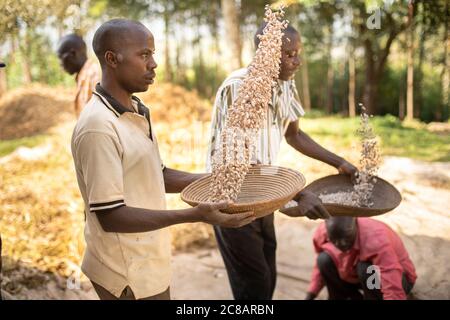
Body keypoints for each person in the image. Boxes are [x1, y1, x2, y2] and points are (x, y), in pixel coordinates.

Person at [71, 19, 257, 300]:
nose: (154, 63)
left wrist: (216, 179)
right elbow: (110, 215)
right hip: (125, 269)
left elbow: (157, 173)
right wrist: (194, 215)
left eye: (153, 54)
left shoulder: (134, 110)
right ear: (112, 59)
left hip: (147, 256)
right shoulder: (98, 126)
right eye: (144, 54)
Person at [206, 23, 358, 300]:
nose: (297, 61)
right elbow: (239, 162)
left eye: (298, 53)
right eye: (289, 55)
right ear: (264, 55)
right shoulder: (239, 88)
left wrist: (340, 162)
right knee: (254, 285)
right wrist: (298, 194)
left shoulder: (285, 83)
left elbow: (294, 134)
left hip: (263, 195)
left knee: (268, 273)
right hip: (231, 199)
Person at [306, 216, 417, 300]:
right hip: (356, 276)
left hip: (397, 280)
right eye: (335, 241)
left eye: (347, 239)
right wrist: (311, 294)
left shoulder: (376, 239)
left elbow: (392, 282)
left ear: (356, 226)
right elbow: (320, 267)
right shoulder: (323, 233)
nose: (342, 244)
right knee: (323, 259)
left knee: (366, 269)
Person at [57, 34, 101, 117]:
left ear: (73, 54)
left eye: (60, 58)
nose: (60, 64)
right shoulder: (82, 76)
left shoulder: (94, 75)